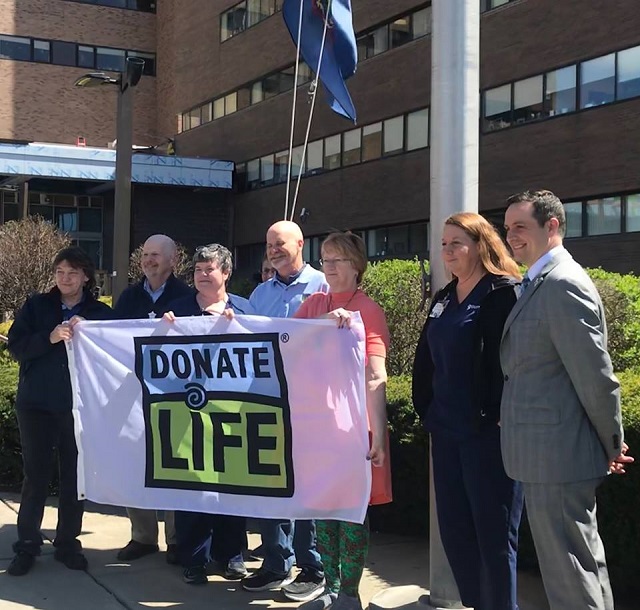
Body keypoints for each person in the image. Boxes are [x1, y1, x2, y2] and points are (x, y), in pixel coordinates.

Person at [501, 190, 633, 610]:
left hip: (557, 455)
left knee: (571, 573)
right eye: (508, 229)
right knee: (577, 568)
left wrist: (610, 441)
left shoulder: (561, 284)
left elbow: (595, 376)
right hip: (548, 453)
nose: (511, 237)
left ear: (552, 226)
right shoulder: (540, 280)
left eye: (520, 227)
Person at [412, 213, 524, 610]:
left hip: (487, 437)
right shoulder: (445, 297)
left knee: (493, 538)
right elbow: (426, 358)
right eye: (443, 244)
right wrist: (425, 408)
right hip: (445, 433)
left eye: (456, 242)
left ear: (480, 244)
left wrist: (495, 412)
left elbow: (511, 362)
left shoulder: (502, 293)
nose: (447, 251)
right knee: (456, 534)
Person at [294, 231, 391, 610]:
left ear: (357, 266)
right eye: (325, 259)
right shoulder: (313, 304)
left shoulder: (368, 309)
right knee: (323, 510)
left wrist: (378, 434)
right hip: (317, 429)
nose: (329, 267)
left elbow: (375, 373)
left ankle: (349, 593)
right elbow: (282, 343)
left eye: (337, 260)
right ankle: (331, 586)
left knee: (351, 512)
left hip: (352, 431)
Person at [6, 247, 113, 576]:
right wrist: (49, 337)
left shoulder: (98, 312)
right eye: (60, 272)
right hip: (36, 405)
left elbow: (113, 353)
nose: (65, 278)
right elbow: (15, 347)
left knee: (73, 478)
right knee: (35, 477)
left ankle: (67, 543)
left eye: (72, 273)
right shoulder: (37, 306)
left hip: (78, 408)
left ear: (85, 277)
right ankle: (27, 544)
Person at [242, 220, 327, 602]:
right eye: (268, 244)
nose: (273, 250)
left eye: (280, 243)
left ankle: (312, 567)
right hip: (267, 401)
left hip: (308, 404)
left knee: (306, 487)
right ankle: (276, 563)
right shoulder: (261, 292)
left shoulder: (323, 285)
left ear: (300, 244)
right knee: (271, 484)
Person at [164, 243, 252, 585]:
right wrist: (162, 329)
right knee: (192, 487)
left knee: (232, 486)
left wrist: (240, 327)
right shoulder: (177, 310)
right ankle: (194, 558)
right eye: (198, 270)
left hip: (233, 413)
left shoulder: (244, 309)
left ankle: (231, 555)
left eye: (209, 270)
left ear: (226, 273)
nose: (202, 275)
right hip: (188, 412)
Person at [113, 234, 193, 564]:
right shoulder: (129, 297)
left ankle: (176, 540)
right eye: (145, 254)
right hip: (134, 395)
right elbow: (109, 337)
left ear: (173, 260)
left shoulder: (188, 298)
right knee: (137, 464)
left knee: (174, 466)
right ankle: (143, 537)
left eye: (156, 255)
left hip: (174, 397)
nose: (148, 260)